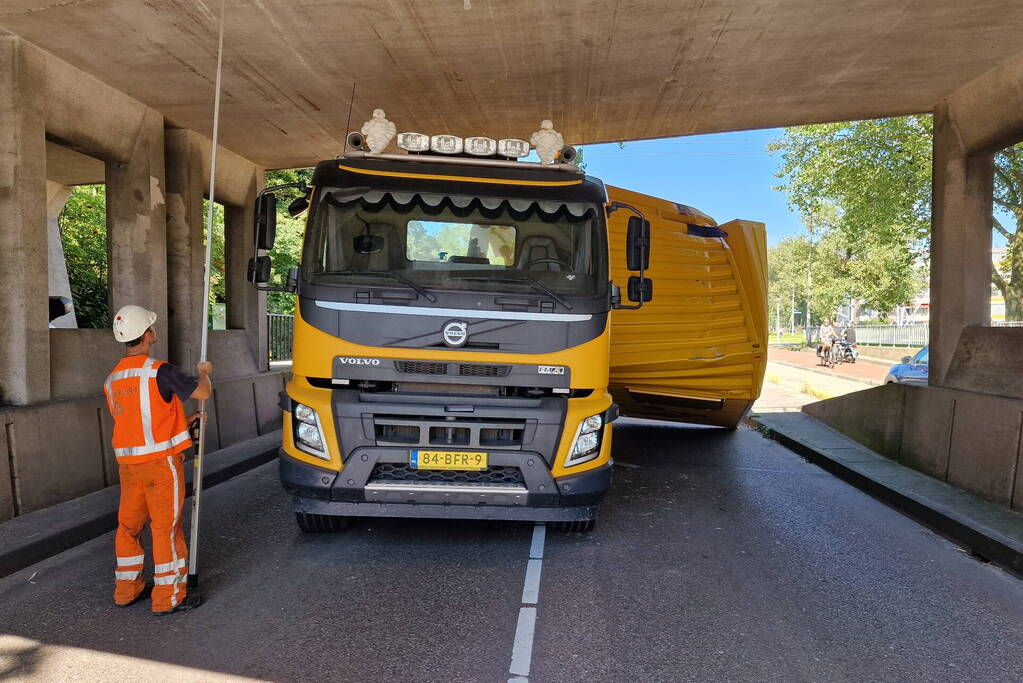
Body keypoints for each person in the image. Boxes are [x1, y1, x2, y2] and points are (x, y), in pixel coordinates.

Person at [103, 305, 212, 616]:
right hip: (161, 465)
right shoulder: (158, 370)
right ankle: (169, 597)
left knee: (128, 527)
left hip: (129, 467)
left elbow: (140, 421)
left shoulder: (113, 379)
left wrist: (182, 421)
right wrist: (204, 372)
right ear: (147, 334)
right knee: (165, 528)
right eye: (152, 326)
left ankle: (127, 589)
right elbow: (202, 393)